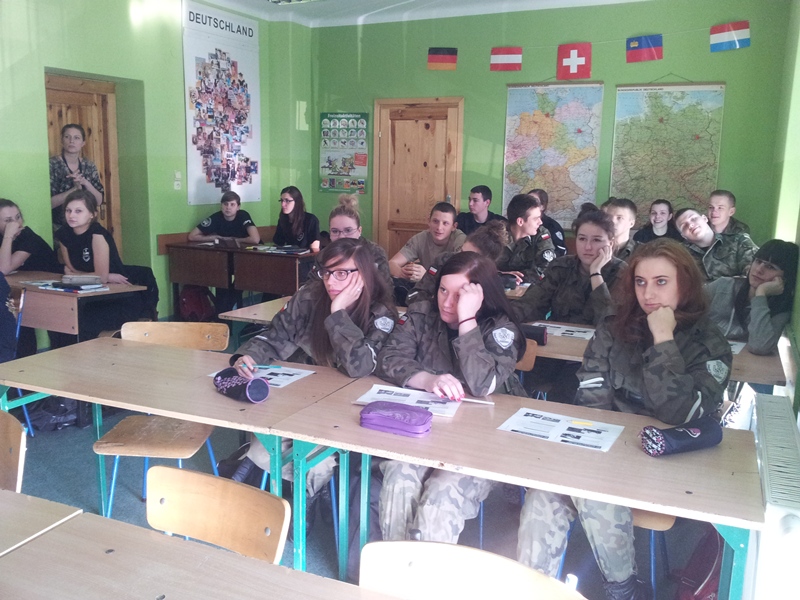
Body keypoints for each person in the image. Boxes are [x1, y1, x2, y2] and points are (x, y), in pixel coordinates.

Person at [518, 239, 732, 600]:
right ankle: (531, 589)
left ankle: (623, 590)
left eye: (661, 282)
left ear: (685, 284)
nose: (648, 293)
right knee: (544, 494)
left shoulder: (709, 343)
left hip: (671, 460)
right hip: (610, 450)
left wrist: (663, 339)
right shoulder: (614, 327)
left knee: (591, 491)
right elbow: (591, 392)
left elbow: (678, 413)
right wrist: (601, 447)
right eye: (640, 282)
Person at [375, 251, 526, 544]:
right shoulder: (423, 314)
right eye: (443, 290)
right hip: (428, 432)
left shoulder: (500, 328)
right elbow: (388, 357)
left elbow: (481, 384)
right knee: (398, 475)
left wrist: (467, 318)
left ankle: (428, 573)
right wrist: (427, 379)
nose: (446, 302)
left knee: (440, 494)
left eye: (459, 295)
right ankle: (397, 568)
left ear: (480, 296)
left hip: (482, 440)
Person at [229, 238, 397, 498]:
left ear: (363, 274)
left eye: (341, 273)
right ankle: (295, 494)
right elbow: (276, 335)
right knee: (262, 451)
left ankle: (309, 500)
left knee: (316, 464)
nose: (330, 281)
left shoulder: (381, 313)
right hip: (301, 400)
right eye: (327, 272)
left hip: (345, 414)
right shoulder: (309, 297)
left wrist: (338, 313)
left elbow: (360, 367)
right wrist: (247, 356)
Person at [512, 205, 625, 403]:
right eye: (582, 239)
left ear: (611, 243)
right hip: (555, 350)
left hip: (595, 358)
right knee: (517, 381)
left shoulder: (621, 273)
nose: (587, 247)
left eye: (596, 240)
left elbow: (609, 323)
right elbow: (532, 304)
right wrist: (503, 317)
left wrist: (596, 273)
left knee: (566, 393)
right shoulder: (561, 266)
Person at [54, 190, 159, 341]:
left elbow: (92, 277)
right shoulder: (64, 234)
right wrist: (100, 276)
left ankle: (88, 354)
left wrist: (98, 276)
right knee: (61, 318)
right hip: (89, 296)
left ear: (92, 214)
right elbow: (72, 270)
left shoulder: (97, 234)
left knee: (81, 321)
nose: (71, 215)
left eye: (78, 211)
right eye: (68, 211)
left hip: (117, 298)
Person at [706, 239, 798, 355]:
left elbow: (759, 346)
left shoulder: (780, 309)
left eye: (770, 267)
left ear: (785, 278)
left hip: (743, 363)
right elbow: (686, 311)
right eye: (758, 261)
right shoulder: (723, 286)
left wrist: (761, 294)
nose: (759, 270)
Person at [0, 199, 63, 356]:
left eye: (18, 217)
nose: (16, 224)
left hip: (51, 292)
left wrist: (8, 236)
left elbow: (3, 268)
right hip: (22, 290)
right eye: (8, 220)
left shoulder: (28, 238)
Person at [407, 220, 509, 305]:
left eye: (467, 257)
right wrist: (437, 303)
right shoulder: (444, 261)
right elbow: (413, 296)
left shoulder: (490, 283)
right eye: (461, 251)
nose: (460, 257)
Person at [389, 202, 465, 304]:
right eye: (435, 221)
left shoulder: (460, 240)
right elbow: (391, 263)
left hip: (448, 293)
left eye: (445, 223)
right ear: (429, 221)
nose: (439, 227)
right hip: (424, 290)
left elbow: (458, 277)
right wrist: (403, 273)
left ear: (454, 226)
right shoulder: (420, 238)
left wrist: (427, 276)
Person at [674, 208, 757, 281]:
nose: (690, 224)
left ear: (705, 218)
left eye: (693, 218)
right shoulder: (682, 257)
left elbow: (754, 275)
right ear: (683, 236)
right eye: (684, 225)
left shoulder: (739, 240)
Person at [328, 194, 391, 289]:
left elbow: (386, 289)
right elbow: (310, 287)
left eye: (348, 230)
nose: (341, 236)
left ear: (359, 231)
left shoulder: (375, 253)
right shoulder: (324, 255)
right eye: (335, 231)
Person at [49, 124, 104, 233]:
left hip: (86, 226)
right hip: (58, 227)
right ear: (62, 140)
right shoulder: (52, 165)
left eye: (76, 138)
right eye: (67, 137)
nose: (71, 141)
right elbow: (48, 203)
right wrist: (74, 189)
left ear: (83, 143)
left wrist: (85, 182)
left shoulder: (89, 166)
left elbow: (99, 201)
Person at [497, 193, 556, 283]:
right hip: (498, 286)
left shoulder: (541, 235)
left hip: (532, 288)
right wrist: (502, 275)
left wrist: (513, 278)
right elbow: (480, 267)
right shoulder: (496, 234)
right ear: (520, 221)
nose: (540, 222)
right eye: (536, 219)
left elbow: (546, 268)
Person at [187, 191, 260, 244]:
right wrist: (214, 238)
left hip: (250, 249)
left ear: (238, 207)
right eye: (225, 204)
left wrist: (233, 240)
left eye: (232, 204)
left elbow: (255, 239)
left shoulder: (243, 215)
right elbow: (192, 236)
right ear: (221, 206)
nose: (228, 207)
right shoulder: (216, 217)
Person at [273, 186, 320, 251]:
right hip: (287, 255)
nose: (283, 204)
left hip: (306, 256)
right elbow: (278, 243)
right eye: (282, 200)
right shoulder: (283, 219)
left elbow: (315, 249)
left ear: (297, 202)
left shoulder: (311, 219)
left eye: (287, 201)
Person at [529, 189, 567, 257]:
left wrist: (546, 257)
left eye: (534, 202)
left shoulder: (552, 226)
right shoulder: (521, 223)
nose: (528, 205)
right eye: (527, 201)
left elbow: (561, 250)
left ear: (542, 206)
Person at [601, 197, 638, 262]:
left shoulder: (641, 252)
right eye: (609, 217)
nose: (612, 221)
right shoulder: (597, 247)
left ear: (631, 223)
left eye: (619, 218)